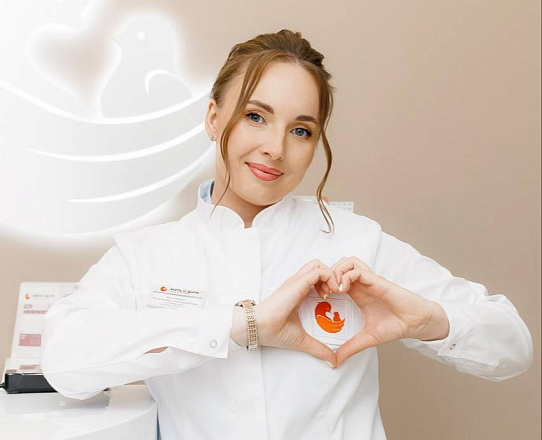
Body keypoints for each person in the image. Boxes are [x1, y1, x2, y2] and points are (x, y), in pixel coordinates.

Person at [40, 29, 533, 440]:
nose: (275, 148)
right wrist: (242, 324)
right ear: (213, 118)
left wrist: (424, 319)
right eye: (255, 116)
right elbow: (64, 362)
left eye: (301, 130)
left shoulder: (357, 243)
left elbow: (512, 346)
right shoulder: (145, 254)